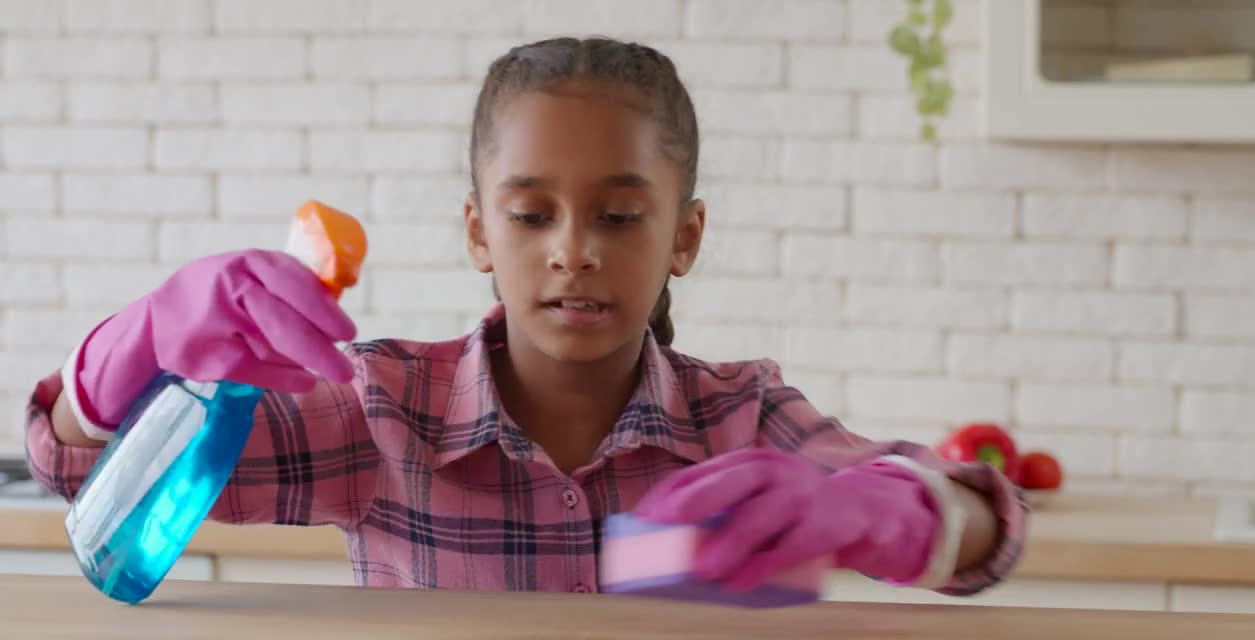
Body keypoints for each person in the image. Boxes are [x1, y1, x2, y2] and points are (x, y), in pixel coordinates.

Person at [24, 37, 1025, 598]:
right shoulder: (378, 412)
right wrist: (128, 353)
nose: (572, 249)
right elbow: (78, 477)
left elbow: (987, 526)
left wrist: (891, 511)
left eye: (620, 215)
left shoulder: (741, 417)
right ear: (477, 231)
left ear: (684, 235)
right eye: (531, 213)